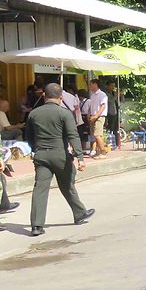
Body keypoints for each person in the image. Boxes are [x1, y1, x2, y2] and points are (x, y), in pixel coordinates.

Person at [24, 83, 94, 237]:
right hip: (60, 155)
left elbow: (28, 137)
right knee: (67, 185)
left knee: (40, 190)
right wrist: (80, 157)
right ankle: (79, 213)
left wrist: (36, 149)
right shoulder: (64, 113)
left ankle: (36, 225)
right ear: (61, 97)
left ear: (44, 95)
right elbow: (73, 135)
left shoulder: (33, 114)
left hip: (41, 155)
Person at [87, 79, 109, 158]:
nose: (89, 86)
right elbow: (91, 106)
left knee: (97, 135)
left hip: (99, 116)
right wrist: (89, 114)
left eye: (90, 84)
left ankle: (103, 152)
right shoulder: (92, 95)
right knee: (95, 135)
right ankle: (98, 151)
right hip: (93, 116)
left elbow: (103, 106)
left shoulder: (102, 94)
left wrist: (96, 116)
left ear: (95, 84)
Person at [105, 81, 120, 149]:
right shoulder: (106, 94)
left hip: (116, 112)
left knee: (116, 128)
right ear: (107, 86)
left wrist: (120, 96)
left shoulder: (114, 93)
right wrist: (116, 95)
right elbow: (110, 101)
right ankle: (110, 143)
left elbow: (118, 101)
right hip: (109, 113)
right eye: (111, 86)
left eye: (114, 86)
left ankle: (116, 143)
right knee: (110, 128)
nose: (113, 87)